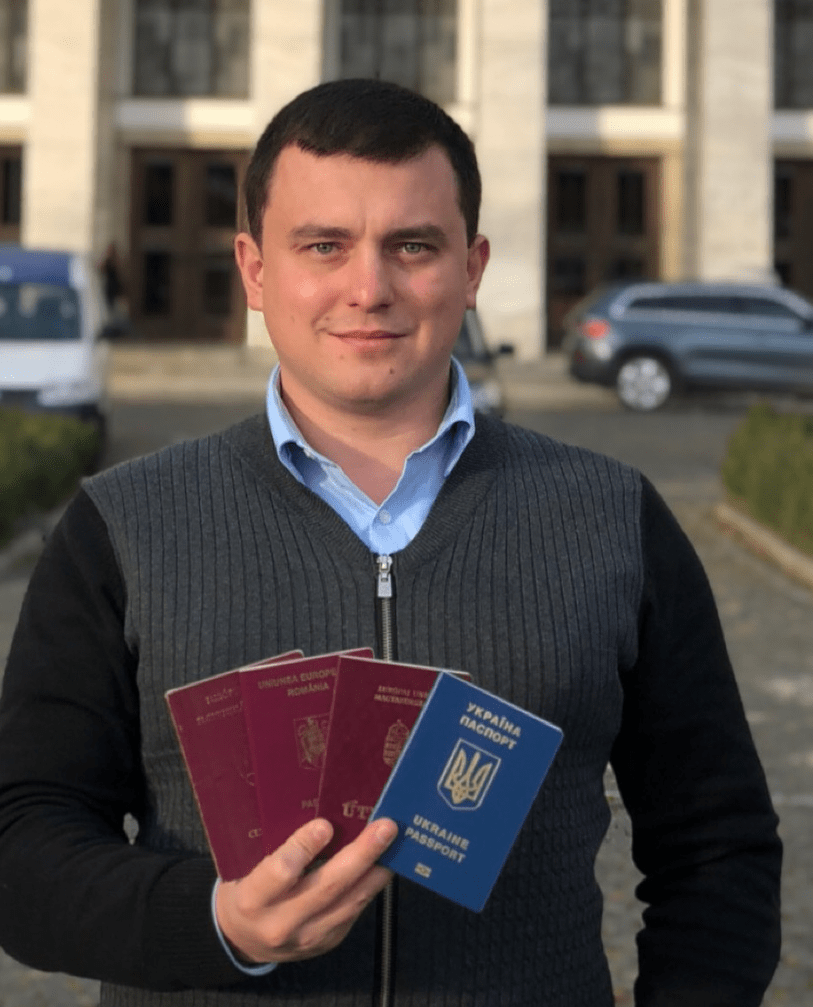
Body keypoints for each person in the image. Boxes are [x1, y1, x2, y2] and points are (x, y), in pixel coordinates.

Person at [0, 79, 781, 1007]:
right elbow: (22, 843)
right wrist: (215, 922)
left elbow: (717, 846)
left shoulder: (611, 516)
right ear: (254, 269)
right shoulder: (122, 525)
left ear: (471, 267)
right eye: (322, 245)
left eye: (412, 245)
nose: (367, 289)